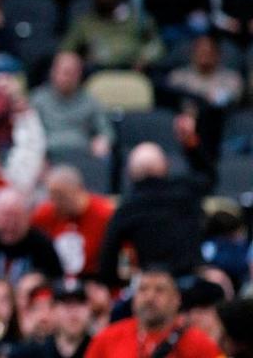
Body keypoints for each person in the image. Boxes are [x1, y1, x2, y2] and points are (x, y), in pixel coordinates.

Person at [99, 118, 215, 285]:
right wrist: (190, 143)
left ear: (130, 173)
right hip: (193, 282)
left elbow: (108, 258)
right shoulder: (186, 190)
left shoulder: (127, 208)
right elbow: (208, 176)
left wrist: (119, 284)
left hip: (154, 284)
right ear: (165, 166)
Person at [86, 267, 222, 358]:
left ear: (176, 299)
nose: (150, 297)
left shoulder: (199, 343)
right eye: (143, 289)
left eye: (160, 290)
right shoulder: (106, 339)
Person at [60, 0, 165, 70]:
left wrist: (145, 58)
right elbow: (66, 52)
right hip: (97, 75)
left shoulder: (137, 18)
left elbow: (156, 45)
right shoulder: (84, 23)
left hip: (135, 72)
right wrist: (81, 62)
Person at [32, 166, 114, 277]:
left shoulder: (104, 214)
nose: (56, 203)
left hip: (94, 280)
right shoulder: (45, 214)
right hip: (54, 281)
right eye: (52, 197)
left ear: (78, 190)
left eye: (61, 196)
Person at [31, 52, 114, 157]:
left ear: (80, 75)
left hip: (82, 154)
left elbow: (106, 131)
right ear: (53, 72)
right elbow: (28, 132)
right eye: (64, 72)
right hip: (47, 155)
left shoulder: (90, 101)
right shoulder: (38, 100)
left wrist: (102, 141)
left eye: (72, 73)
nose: (67, 78)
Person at [10, 279, 92, 358]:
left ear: (89, 308)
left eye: (80, 303)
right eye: (67, 304)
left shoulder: (99, 348)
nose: (73, 311)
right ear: (54, 309)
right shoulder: (32, 352)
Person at [167, 35, 243, 108]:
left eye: (209, 51)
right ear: (192, 53)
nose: (204, 55)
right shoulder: (178, 77)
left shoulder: (232, 79)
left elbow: (230, 101)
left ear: (218, 54)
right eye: (200, 51)